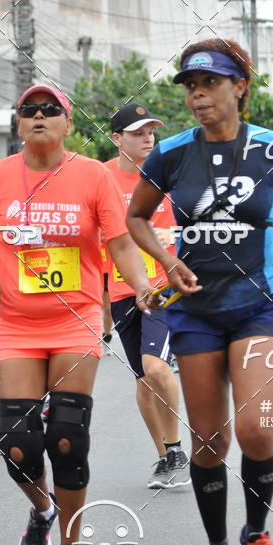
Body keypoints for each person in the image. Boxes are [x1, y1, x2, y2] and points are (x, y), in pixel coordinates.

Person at [127, 39, 273, 545]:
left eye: (209, 83)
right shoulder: (169, 153)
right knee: (210, 443)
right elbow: (136, 217)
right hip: (195, 313)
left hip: (259, 307)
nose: (197, 95)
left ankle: (256, 533)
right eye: (190, 86)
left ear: (240, 87)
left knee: (257, 429)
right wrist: (167, 262)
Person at [0, 83, 154, 545]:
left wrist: (141, 285)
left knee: (67, 438)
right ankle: (42, 512)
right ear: (19, 123)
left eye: (51, 110)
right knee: (19, 446)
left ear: (68, 123)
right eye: (30, 110)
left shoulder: (92, 176)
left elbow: (120, 243)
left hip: (77, 319)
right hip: (19, 325)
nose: (39, 116)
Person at [106, 103, 189, 488]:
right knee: (143, 379)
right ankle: (164, 457)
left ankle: (175, 448)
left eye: (151, 131)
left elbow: (193, 224)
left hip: (162, 287)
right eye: (138, 132)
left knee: (156, 367)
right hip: (120, 290)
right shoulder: (100, 178)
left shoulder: (167, 175)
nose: (148, 138)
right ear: (116, 138)